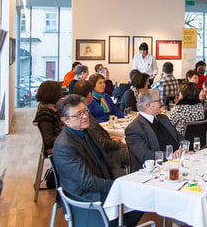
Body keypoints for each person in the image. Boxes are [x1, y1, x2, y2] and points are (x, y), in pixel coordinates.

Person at [52, 95, 143, 226]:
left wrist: (121, 180)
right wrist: (116, 187)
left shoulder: (87, 132)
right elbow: (86, 181)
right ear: (65, 120)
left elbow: (108, 160)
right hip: (83, 196)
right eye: (78, 114)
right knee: (135, 199)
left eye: (85, 111)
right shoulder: (64, 146)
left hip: (100, 184)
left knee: (141, 195)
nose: (84, 116)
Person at [73, 81, 129, 172]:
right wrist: (114, 142)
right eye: (99, 83)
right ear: (89, 94)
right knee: (134, 151)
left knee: (132, 147)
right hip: (102, 154)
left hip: (99, 149)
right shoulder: (85, 117)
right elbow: (100, 143)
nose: (103, 85)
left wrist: (109, 139)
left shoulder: (76, 114)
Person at [125, 89, 185, 171]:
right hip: (156, 169)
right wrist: (172, 156)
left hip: (179, 163)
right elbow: (145, 156)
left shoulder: (163, 118)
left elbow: (178, 135)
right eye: (159, 101)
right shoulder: (134, 128)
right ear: (149, 105)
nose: (161, 103)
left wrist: (182, 148)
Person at [33, 81, 63, 154]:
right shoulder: (44, 114)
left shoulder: (52, 108)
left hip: (61, 141)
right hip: (55, 146)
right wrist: (69, 136)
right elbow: (48, 141)